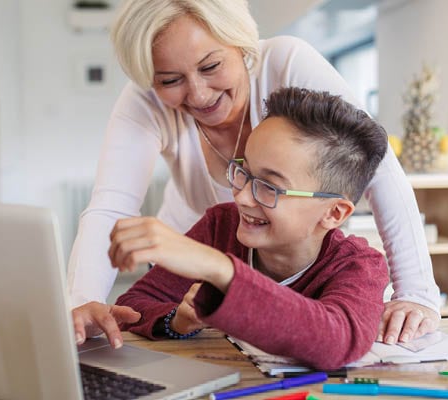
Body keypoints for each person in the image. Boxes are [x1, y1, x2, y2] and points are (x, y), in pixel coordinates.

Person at [68, 0, 440, 349]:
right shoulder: (146, 106)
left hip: (282, 258)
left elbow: (376, 165)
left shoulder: (286, 61)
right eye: (170, 80)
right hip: (195, 254)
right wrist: (83, 303)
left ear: (241, 44)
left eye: (211, 67)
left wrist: (416, 293)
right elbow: (111, 207)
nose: (197, 95)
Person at [110, 87, 389, 369]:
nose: (242, 197)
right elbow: (132, 305)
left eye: (269, 187)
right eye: (244, 172)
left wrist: (218, 268)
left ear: (334, 212)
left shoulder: (359, 265)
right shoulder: (221, 226)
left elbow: (337, 341)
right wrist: (176, 320)